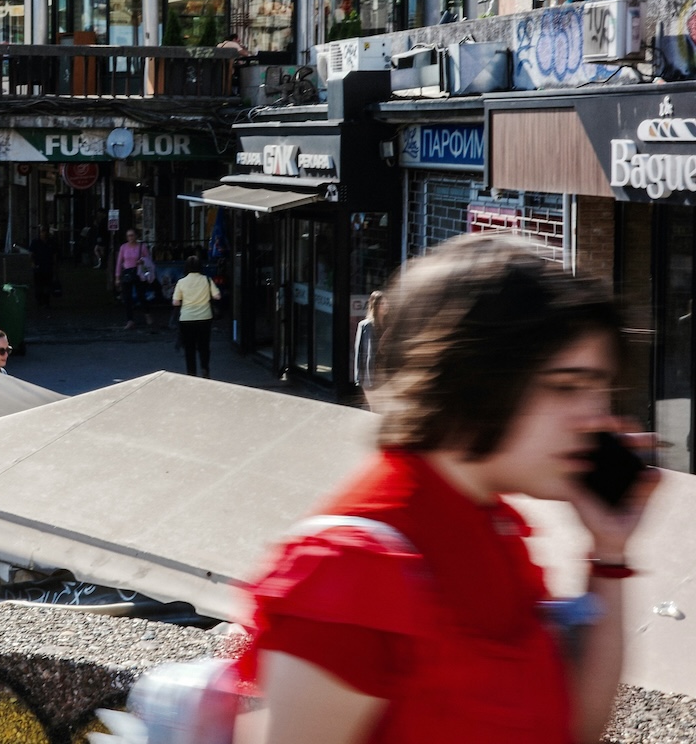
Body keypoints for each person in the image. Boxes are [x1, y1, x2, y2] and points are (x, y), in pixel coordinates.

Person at [241, 234, 659, 744]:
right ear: (473, 380)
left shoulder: (490, 525)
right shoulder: (350, 569)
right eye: (566, 386)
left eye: (601, 389)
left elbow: (571, 727)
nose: (597, 419)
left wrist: (610, 553)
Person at [172, 255, 221, 378]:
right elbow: (217, 296)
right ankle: (205, 368)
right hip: (205, 318)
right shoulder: (207, 280)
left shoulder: (181, 282)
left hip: (187, 319)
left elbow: (176, 302)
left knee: (189, 348)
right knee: (204, 346)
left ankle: (191, 373)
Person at [113, 228, 155, 330]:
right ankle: (130, 320)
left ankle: (147, 314)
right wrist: (117, 277)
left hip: (138, 272)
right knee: (127, 298)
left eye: (132, 235)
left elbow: (149, 260)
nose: (130, 238)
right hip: (127, 272)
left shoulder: (142, 247)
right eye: (128, 236)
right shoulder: (123, 247)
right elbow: (119, 262)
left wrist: (142, 261)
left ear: (136, 236)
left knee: (141, 295)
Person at [353, 289, 384, 393]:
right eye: (382, 303)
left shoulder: (388, 325)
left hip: (385, 372)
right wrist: (358, 377)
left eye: (386, 303)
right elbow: (359, 352)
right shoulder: (366, 326)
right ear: (375, 306)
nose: (385, 306)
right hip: (371, 374)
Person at [28, 226, 56, 308]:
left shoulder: (51, 243)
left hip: (48, 266)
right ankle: (39, 300)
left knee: (47, 285)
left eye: (45, 232)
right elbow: (31, 254)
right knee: (39, 285)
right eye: (42, 232)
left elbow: (54, 255)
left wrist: (55, 265)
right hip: (38, 266)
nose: (44, 234)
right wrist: (33, 263)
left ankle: (46, 301)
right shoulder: (36, 242)